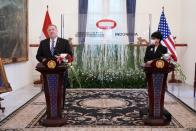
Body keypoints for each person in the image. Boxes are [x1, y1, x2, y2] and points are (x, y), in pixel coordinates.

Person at [36, 24, 73, 109]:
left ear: (56, 31)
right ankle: (50, 107)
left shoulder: (64, 42)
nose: (51, 31)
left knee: (61, 90)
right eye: (49, 30)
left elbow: (69, 55)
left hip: (61, 71)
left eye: (53, 29)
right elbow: (38, 56)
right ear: (47, 32)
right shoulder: (43, 43)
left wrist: (62, 57)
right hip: (47, 72)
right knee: (49, 90)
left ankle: (61, 107)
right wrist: (44, 60)